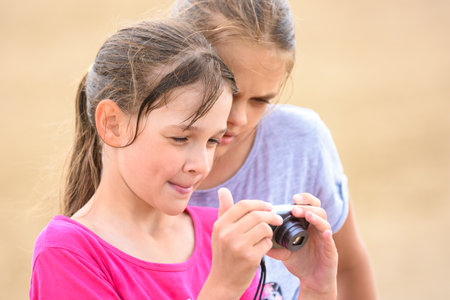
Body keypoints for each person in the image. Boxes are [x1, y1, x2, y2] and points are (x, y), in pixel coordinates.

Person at [29, 18, 339, 299]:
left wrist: (316, 287)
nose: (201, 165)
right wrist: (224, 286)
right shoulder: (68, 252)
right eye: (181, 138)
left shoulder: (215, 233)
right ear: (112, 123)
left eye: (212, 141)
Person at [172, 1, 378, 299]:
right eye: (229, 92)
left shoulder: (301, 140)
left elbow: (346, 268)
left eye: (261, 101)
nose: (239, 119)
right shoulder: (143, 161)